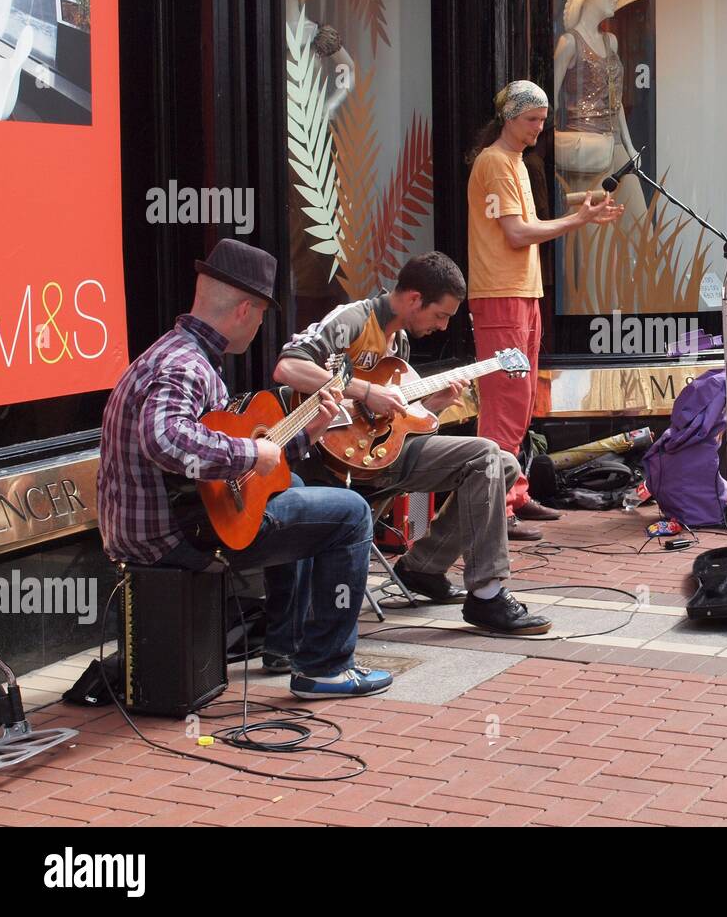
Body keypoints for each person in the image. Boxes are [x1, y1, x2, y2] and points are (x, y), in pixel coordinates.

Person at [97, 239, 393, 699]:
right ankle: (326, 668)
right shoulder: (185, 366)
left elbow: (246, 468)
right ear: (243, 310)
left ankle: (284, 644)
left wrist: (309, 430)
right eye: (261, 315)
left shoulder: (176, 353)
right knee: (351, 513)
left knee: (290, 487)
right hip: (170, 538)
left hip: (176, 521)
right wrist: (252, 454)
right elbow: (166, 440)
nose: (260, 326)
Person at [273, 252, 554, 636]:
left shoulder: (400, 342)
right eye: (440, 315)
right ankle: (487, 596)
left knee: (503, 462)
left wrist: (430, 406)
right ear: (414, 299)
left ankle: (424, 567)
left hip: (380, 455)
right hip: (333, 458)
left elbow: (391, 420)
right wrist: (365, 389)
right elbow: (287, 368)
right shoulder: (353, 319)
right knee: (485, 453)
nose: (442, 327)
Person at [466, 79, 623, 540]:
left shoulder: (511, 161)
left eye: (541, 119)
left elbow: (526, 225)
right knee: (505, 401)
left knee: (519, 398)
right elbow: (517, 233)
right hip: (501, 293)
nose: (539, 128)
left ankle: (513, 493)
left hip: (519, 291)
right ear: (510, 117)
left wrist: (581, 208)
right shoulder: (495, 162)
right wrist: (579, 219)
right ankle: (498, 506)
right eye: (533, 119)